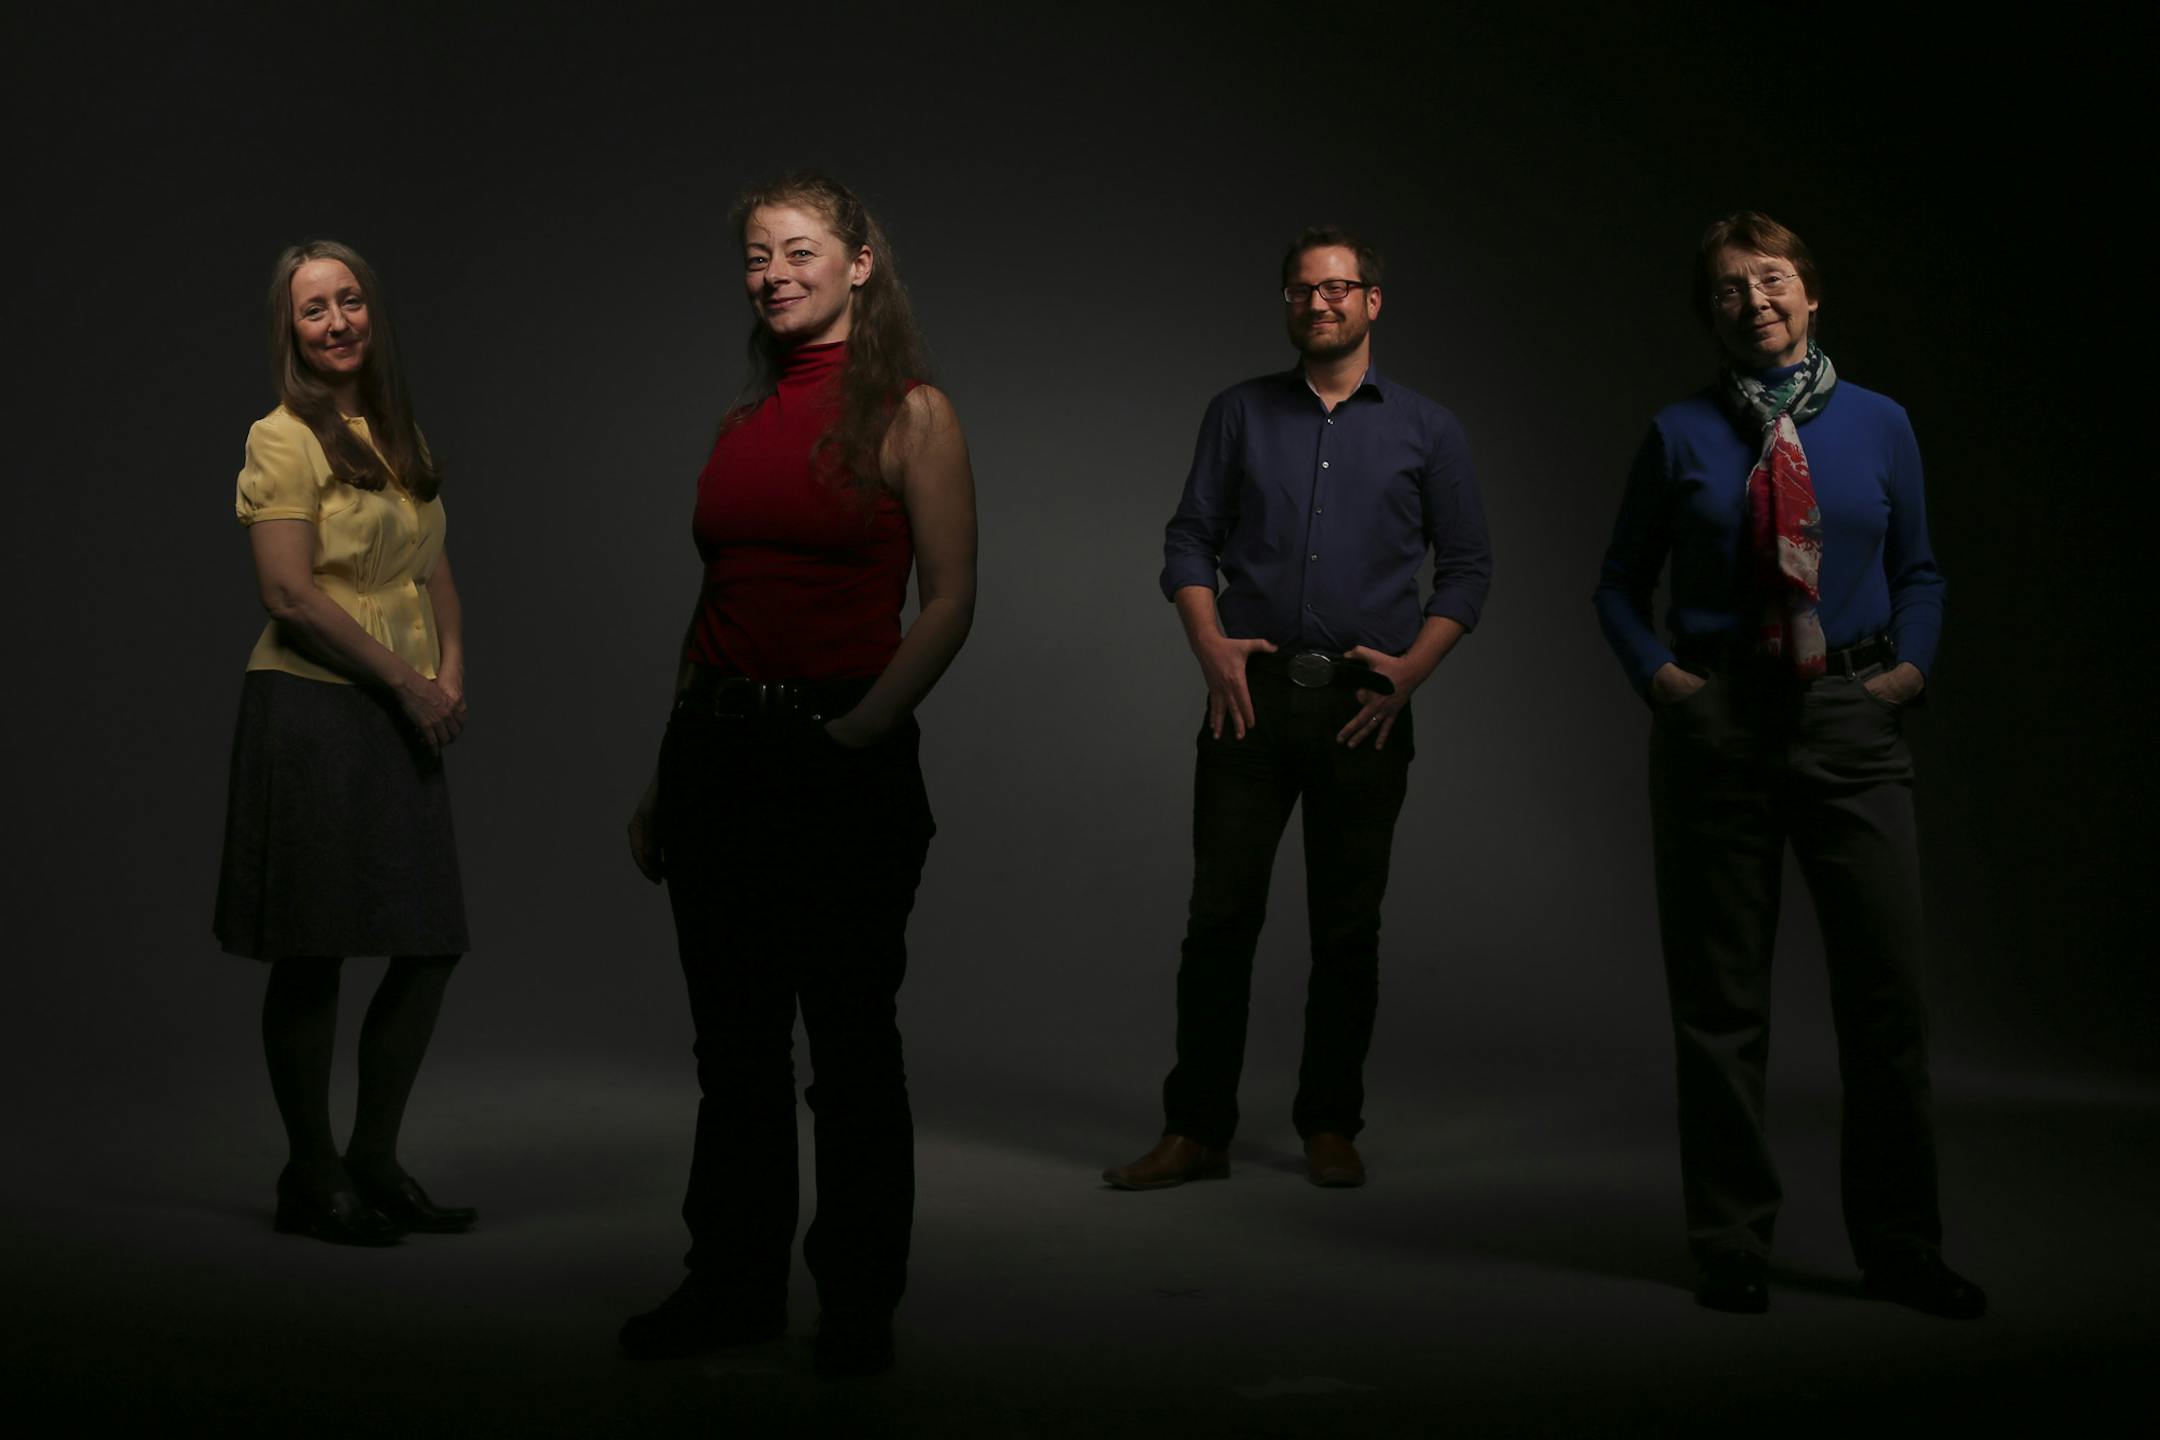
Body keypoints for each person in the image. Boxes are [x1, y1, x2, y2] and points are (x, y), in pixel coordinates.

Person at [1593, 211, 1985, 1318]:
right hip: (1721, 730)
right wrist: (1666, 680)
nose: (1753, 301)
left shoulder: (1880, 425)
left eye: (1772, 280)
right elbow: (1618, 583)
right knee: (1721, 1009)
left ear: (1812, 296)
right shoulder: (1677, 435)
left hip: (1852, 725)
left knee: (1887, 1007)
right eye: (1727, 289)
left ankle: (1902, 1247)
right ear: (1710, 316)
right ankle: (1731, 1243)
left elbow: (1922, 570)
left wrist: (1909, 671)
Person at [619, 172, 976, 1378]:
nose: (774, 271)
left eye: (800, 248)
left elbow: (952, 601)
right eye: (758, 255)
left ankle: (859, 1306)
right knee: (735, 1051)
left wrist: (863, 731)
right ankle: (732, 1286)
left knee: (851, 1047)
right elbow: (715, 603)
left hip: (836, 758)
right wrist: (668, 777)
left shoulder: (913, 413)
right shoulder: (739, 427)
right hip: (715, 753)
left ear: (860, 262)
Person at [1103, 226, 1491, 1193]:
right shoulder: (1238, 414)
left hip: (1366, 704)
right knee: (1219, 919)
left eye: (1339, 288)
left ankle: (1329, 1123)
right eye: (1302, 290)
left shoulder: (1428, 429)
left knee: (1346, 928)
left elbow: (1469, 568)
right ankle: (1195, 1131)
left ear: (1372, 303)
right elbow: (1189, 538)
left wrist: (1412, 674)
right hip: (1250, 699)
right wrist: (1209, 644)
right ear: (1286, 304)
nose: (1320, 303)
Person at [214, 240, 476, 1247]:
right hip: (315, 709)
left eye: (350, 301)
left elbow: (432, 568)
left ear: (371, 312)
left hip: (401, 708)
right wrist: (413, 683)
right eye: (313, 311)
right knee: (314, 948)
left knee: (427, 941)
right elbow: (288, 592)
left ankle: (374, 1158)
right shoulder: (281, 437)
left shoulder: (395, 429)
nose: (336, 323)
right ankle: (311, 1171)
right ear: (290, 332)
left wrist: (452, 672)